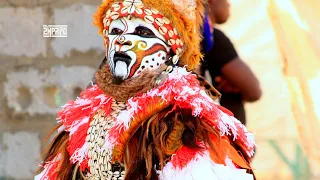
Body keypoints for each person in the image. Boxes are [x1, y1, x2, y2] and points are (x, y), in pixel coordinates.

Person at [35, 0, 256, 179]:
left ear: (173, 50)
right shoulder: (89, 113)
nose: (123, 40)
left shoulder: (189, 119)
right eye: (115, 30)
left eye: (142, 31)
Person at [202, 0, 262, 125]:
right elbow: (254, 91)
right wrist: (238, 87)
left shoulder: (195, 36)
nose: (229, 4)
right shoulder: (215, 40)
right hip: (222, 134)